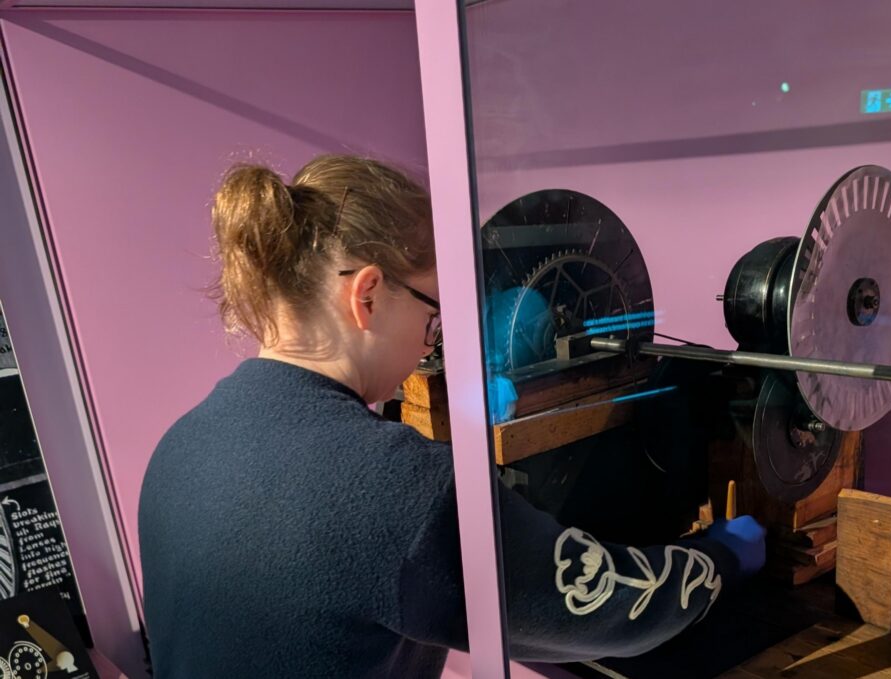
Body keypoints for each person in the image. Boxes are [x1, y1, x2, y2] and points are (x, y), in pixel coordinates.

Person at [138, 155, 766, 678]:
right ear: (367, 296)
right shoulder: (393, 486)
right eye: (432, 315)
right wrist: (724, 556)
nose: (429, 346)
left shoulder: (178, 449)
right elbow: (610, 609)